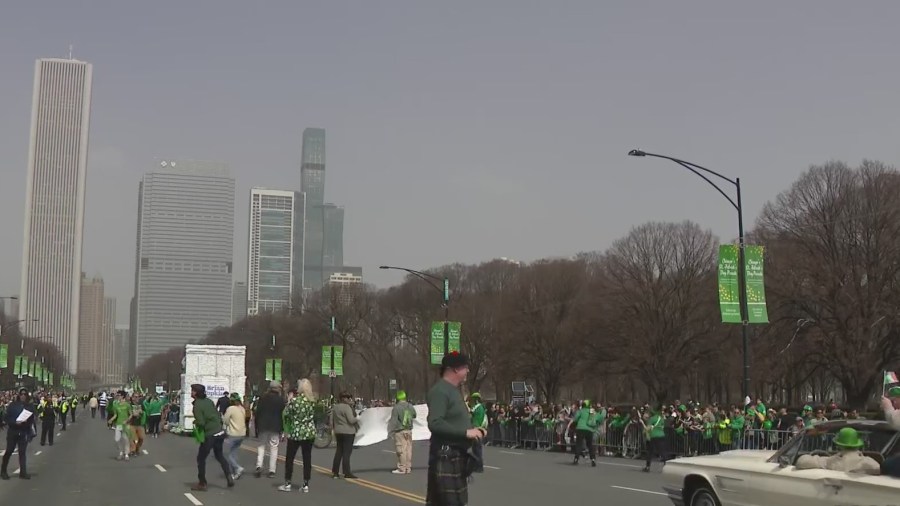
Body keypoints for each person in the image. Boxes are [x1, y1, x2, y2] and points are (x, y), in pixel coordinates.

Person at [426, 352, 485, 506]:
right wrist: (465, 433)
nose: (468, 371)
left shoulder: (453, 390)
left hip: (455, 455)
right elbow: (435, 423)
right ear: (455, 369)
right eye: (465, 367)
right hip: (446, 455)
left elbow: (454, 420)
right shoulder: (440, 391)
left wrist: (474, 429)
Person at [189, 383, 234, 491]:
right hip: (219, 432)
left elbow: (201, 422)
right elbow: (216, 414)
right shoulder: (209, 401)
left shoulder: (197, 405)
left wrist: (195, 422)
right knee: (219, 455)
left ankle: (202, 483)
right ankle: (229, 476)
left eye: (192, 390)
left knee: (201, 458)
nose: (191, 392)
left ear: (196, 393)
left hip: (209, 434)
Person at [279, 378, 317, 493]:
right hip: (309, 432)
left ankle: (287, 483)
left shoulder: (295, 401)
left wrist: (289, 401)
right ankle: (305, 484)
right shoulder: (312, 401)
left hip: (296, 432)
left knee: (290, 458)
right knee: (307, 458)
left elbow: (287, 414)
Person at [796, 427, 880, 474]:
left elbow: (801, 461)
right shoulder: (872, 464)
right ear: (858, 445)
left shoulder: (830, 461)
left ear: (838, 445)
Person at [1, 389, 36, 480]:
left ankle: (23, 472)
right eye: (21, 394)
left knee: (22, 452)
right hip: (13, 431)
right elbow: (6, 418)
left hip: (23, 431)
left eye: (25, 394)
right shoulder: (12, 405)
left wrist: (28, 426)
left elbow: (32, 420)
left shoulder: (29, 406)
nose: (23, 396)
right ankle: (3, 471)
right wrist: (14, 423)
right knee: (9, 451)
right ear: (19, 395)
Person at [254, 381, 285, 478]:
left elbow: (257, 413)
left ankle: (259, 465)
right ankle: (272, 470)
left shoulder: (262, 398)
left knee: (261, 446)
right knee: (274, 447)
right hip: (275, 426)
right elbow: (283, 415)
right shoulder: (281, 400)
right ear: (278, 389)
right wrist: (282, 429)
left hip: (263, 425)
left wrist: (256, 426)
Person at [331, 392, 359, 479]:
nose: (349, 399)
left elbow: (332, 420)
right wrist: (358, 418)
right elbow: (351, 420)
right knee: (346, 453)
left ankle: (335, 472)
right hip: (348, 432)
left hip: (338, 431)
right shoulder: (346, 407)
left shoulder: (335, 407)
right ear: (344, 398)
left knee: (339, 451)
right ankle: (347, 472)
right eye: (348, 398)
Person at [389, 390, 416, 474]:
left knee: (401, 450)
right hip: (409, 430)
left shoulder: (396, 407)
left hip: (400, 431)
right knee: (408, 449)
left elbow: (393, 421)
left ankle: (402, 468)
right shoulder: (410, 406)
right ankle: (408, 467)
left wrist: (391, 431)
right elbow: (414, 415)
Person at [222, 392, 246, 480]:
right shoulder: (242, 408)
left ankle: (237, 467)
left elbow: (225, 420)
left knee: (230, 456)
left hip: (233, 433)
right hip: (242, 433)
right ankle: (235, 473)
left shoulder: (231, 408)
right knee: (234, 453)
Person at [568, 400, 598, 467]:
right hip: (589, 429)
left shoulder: (580, 411)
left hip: (580, 428)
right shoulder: (592, 411)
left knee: (579, 444)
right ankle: (593, 459)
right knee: (590, 445)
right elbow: (595, 419)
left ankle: (576, 459)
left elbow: (575, 419)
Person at [109, 390, 133, 461]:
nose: (117, 396)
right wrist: (111, 419)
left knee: (126, 439)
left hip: (126, 424)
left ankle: (126, 454)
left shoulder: (127, 405)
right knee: (117, 439)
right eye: (117, 395)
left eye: (118, 395)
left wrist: (127, 420)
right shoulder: (116, 405)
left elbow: (131, 414)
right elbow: (115, 415)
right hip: (118, 424)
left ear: (122, 396)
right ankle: (121, 452)